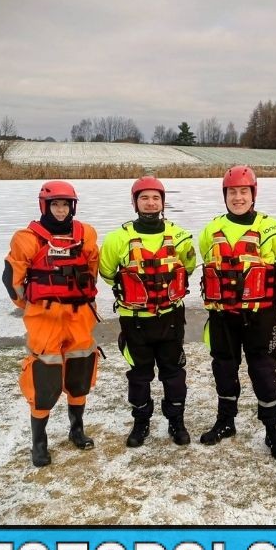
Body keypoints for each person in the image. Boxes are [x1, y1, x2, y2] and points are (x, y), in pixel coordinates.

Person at [197, 165, 276, 459]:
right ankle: (226, 422)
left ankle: (273, 431)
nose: (238, 197)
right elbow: (208, 261)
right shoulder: (210, 230)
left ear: (253, 194)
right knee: (224, 370)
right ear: (225, 195)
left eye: (243, 192)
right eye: (232, 192)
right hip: (222, 316)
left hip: (260, 316)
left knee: (264, 372)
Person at [2, 180, 102, 467]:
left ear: (72, 206)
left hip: (79, 315)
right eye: (55, 204)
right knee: (43, 379)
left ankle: (77, 430)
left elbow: (92, 271)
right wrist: (35, 306)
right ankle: (39, 442)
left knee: (80, 373)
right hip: (44, 317)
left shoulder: (87, 235)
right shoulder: (26, 239)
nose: (60, 210)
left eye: (65, 205)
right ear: (44, 206)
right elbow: (13, 282)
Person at [97, 175, 196, 449]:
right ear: (134, 202)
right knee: (139, 375)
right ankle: (141, 421)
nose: (150, 203)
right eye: (144, 198)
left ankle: (176, 420)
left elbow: (188, 267)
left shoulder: (180, 236)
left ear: (163, 202)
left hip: (171, 318)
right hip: (135, 320)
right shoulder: (118, 239)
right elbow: (107, 273)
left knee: (173, 374)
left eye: (156, 198)